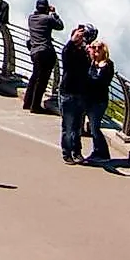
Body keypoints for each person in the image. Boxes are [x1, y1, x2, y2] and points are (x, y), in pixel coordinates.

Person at [57, 25, 96, 163]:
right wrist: (72, 41)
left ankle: (77, 151)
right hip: (68, 92)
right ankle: (67, 153)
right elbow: (66, 53)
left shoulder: (85, 54)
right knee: (67, 126)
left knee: (78, 126)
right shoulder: (70, 51)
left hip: (81, 93)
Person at [22, 0, 64, 113]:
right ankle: (35, 106)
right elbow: (60, 26)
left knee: (34, 77)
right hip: (46, 51)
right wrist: (54, 13)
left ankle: (27, 102)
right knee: (42, 80)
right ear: (46, 8)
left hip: (34, 51)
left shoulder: (31, 18)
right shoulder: (47, 19)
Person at [79, 40, 115, 162]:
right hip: (90, 99)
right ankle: (97, 151)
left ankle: (103, 153)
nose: (96, 50)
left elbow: (102, 81)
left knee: (95, 127)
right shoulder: (92, 63)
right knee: (92, 126)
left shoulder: (108, 65)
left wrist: (89, 79)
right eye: (94, 47)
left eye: (99, 47)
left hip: (100, 100)